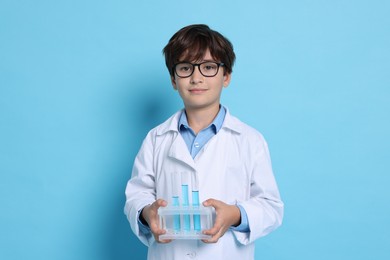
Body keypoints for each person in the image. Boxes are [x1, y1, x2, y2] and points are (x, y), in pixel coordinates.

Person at [124, 24, 284, 260]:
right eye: (186, 68)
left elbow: (271, 207)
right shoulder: (156, 139)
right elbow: (137, 195)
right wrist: (147, 212)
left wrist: (235, 214)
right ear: (173, 79)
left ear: (226, 76)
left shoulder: (250, 140)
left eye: (208, 67)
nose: (196, 77)